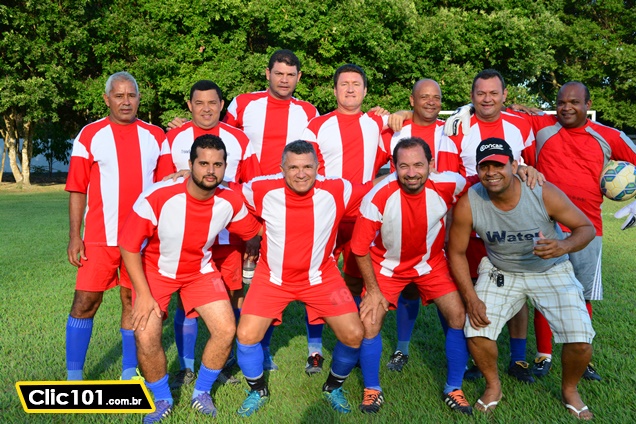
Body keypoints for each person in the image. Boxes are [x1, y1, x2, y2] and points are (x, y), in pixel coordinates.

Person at [448, 138, 596, 419]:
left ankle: (569, 390)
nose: (492, 172)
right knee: (477, 331)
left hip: (551, 268)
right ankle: (493, 386)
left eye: (499, 165)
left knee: (580, 339)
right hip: (501, 270)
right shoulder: (471, 202)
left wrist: (562, 246)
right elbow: (456, 252)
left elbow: (585, 228)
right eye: (485, 166)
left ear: (515, 166)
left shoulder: (540, 191)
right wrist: (471, 297)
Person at [119, 135, 262, 423]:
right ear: (190, 164)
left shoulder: (230, 200)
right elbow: (128, 246)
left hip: (199, 271)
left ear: (225, 167)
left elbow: (253, 231)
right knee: (146, 336)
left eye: (217, 164)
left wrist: (253, 248)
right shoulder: (158, 196)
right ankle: (161, 398)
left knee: (225, 329)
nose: (210, 170)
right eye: (203, 163)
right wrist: (144, 294)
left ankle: (201, 392)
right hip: (156, 272)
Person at [233, 140, 379, 417]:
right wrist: (183, 177)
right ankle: (258, 390)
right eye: (294, 168)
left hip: (322, 278)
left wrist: (407, 173)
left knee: (354, 334)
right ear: (282, 169)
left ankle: (333, 386)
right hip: (273, 278)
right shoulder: (261, 189)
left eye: (307, 167)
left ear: (317, 167)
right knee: (246, 334)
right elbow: (225, 193)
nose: (301, 174)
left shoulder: (337, 190)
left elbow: (378, 188)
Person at [505, 81, 636, 379]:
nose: (566, 107)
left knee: (582, 296)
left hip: (588, 229)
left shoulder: (609, 135)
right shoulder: (541, 126)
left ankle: (582, 354)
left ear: (588, 105)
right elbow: (495, 112)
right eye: (561, 102)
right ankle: (544, 354)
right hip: (545, 225)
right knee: (542, 292)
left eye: (574, 102)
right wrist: (513, 107)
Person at [351, 137, 473, 414]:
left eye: (419, 164)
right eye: (403, 166)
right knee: (369, 322)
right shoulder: (378, 195)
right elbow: (359, 249)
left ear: (431, 164)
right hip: (387, 266)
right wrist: (372, 290)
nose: (411, 172)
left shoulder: (449, 183)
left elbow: (483, 181)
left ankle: (454, 387)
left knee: (457, 316)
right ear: (394, 166)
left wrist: (523, 171)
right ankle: (372, 389)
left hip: (431, 264)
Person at [64, 71, 168, 381]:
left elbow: (165, 187)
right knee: (85, 302)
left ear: (139, 99)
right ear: (107, 99)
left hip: (142, 240)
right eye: (119, 95)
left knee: (130, 301)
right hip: (99, 237)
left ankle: (128, 372)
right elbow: (77, 188)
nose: (126, 101)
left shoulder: (156, 135)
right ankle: (74, 377)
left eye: (131, 95)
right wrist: (74, 236)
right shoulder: (90, 134)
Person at [159, 80, 260, 388]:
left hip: (228, 237)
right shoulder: (173, 138)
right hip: (188, 236)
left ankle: (225, 359)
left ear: (221, 105)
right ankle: (187, 366)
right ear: (189, 105)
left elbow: (251, 185)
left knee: (231, 297)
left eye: (212, 103)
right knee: (185, 302)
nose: (206, 109)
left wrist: (251, 234)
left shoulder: (240, 140)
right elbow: (163, 182)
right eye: (199, 103)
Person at [300, 64, 388, 373]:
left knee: (357, 279)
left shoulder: (378, 124)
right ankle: (314, 349)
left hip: (363, 217)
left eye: (356, 84)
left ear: (365, 91)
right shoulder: (317, 125)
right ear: (335, 90)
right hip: (327, 215)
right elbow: (309, 171)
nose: (350, 89)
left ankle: (351, 340)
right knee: (316, 277)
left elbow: (411, 130)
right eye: (344, 84)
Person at [380, 78, 446, 372]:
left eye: (436, 97)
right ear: (411, 99)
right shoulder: (395, 131)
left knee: (450, 291)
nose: (430, 102)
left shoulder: (453, 131)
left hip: (444, 221)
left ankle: (459, 350)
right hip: (402, 220)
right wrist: (394, 114)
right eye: (423, 97)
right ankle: (402, 348)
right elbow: (367, 119)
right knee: (408, 287)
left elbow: (484, 109)